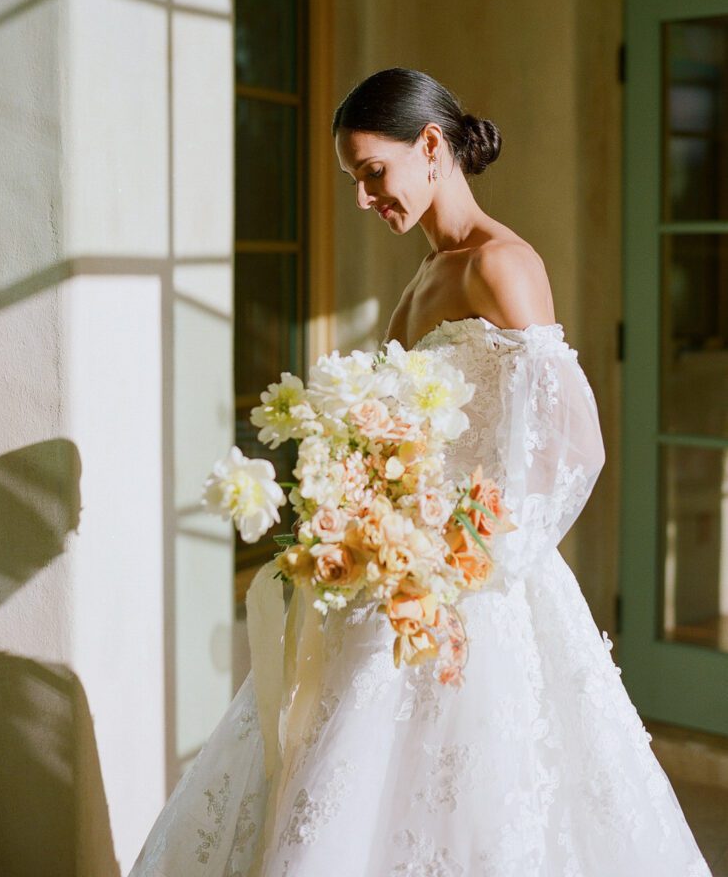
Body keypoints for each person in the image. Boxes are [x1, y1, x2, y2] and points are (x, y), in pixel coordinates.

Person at [128, 67, 713, 876]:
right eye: (354, 180)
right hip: (395, 575)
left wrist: (476, 557)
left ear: (431, 146)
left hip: (468, 588)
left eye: (373, 172)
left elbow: (574, 441)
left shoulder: (501, 265)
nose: (365, 198)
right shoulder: (426, 270)